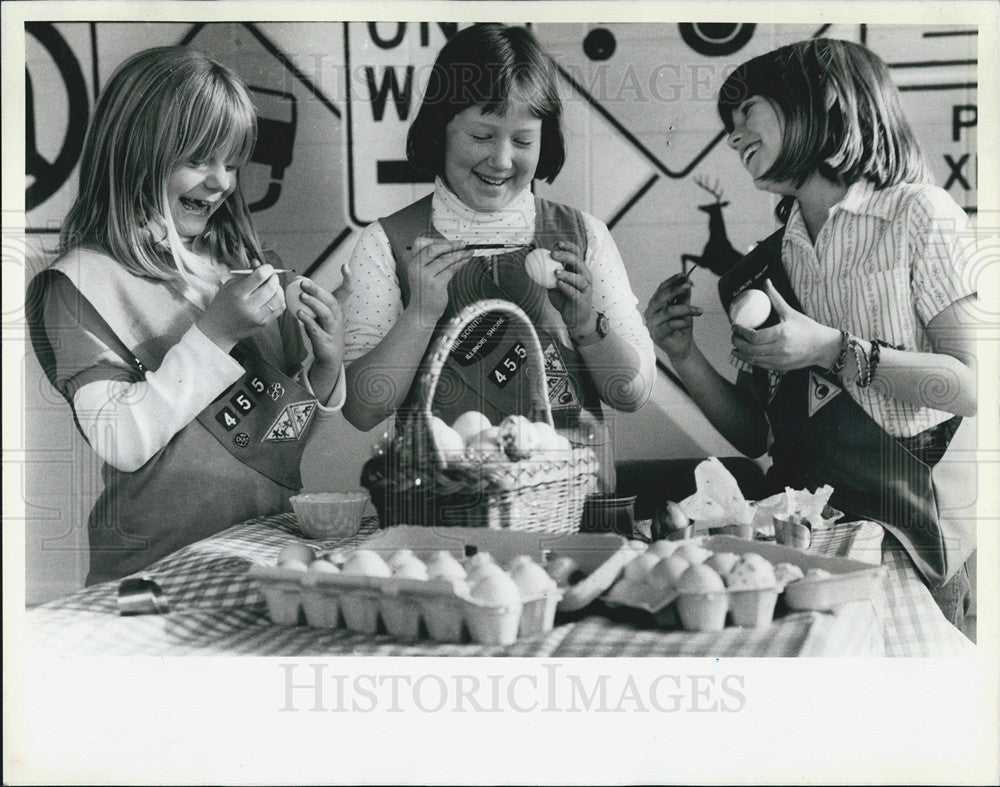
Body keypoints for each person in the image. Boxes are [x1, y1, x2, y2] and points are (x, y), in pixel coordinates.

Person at [645, 38, 977, 628]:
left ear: (821, 103)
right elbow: (754, 432)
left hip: (915, 540)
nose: (734, 134)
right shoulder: (762, 266)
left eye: (748, 112)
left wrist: (830, 349)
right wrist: (684, 355)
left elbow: (970, 386)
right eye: (729, 121)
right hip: (801, 542)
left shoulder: (921, 215)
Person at [26, 47, 347, 585]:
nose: (221, 182)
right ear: (134, 154)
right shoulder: (81, 283)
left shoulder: (249, 266)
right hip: (144, 578)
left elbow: (282, 438)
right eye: (199, 159)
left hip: (260, 559)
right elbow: (121, 443)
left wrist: (326, 367)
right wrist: (214, 334)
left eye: (232, 163)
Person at [342, 23, 655, 490]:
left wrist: (587, 324)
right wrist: (419, 317)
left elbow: (631, 394)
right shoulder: (386, 243)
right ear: (439, 131)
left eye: (523, 140)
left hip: (572, 515)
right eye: (482, 136)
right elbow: (362, 410)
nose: (503, 160)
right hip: (443, 521)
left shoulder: (584, 236)